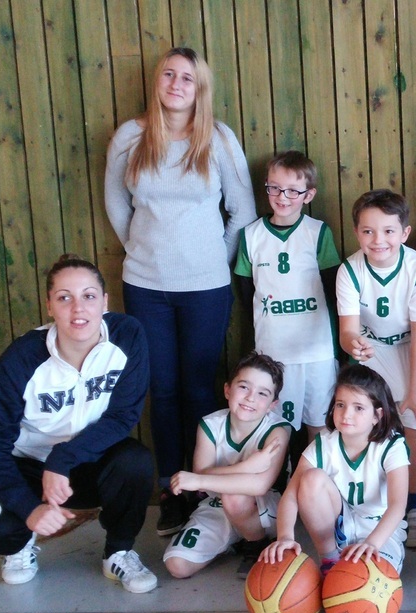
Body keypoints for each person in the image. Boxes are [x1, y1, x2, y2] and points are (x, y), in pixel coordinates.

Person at [104, 46, 257, 536]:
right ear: (157, 82)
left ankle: (207, 488)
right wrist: (139, 249)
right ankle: (173, 493)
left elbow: (242, 210)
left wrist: (215, 257)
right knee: (163, 391)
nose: (176, 84)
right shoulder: (130, 137)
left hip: (206, 286)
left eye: (187, 77)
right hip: (145, 285)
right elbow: (116, 201)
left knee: (198, 389)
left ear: (199, 88)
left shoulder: (218, 138)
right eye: (168, 74)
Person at [0, 255, 157, 593]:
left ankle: (119, 552)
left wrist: (63, 459)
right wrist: (29, 509)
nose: (78, 308)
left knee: (135, 462)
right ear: (49, 306)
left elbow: (123, 416)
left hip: (86, 460)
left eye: (89, 296)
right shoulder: (22, 359)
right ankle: (19, 544)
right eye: (65, 297)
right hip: (27, 465)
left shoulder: (127, 335)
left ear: (104, 302)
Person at [335, 189, 416, 548]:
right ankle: (366, 508)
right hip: (370, 349)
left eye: (389, 231)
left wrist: (415, 391)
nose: (379, 240)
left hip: (409, 348)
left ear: (404, 233)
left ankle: (415, 507)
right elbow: (347, 331)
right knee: (362, 423)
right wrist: (353, 344)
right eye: (368, 231)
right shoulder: (349, 270)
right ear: (357, 233)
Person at [259, 364, 410, 575]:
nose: (346, 414)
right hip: (341, 525)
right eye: (340, 405)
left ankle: (369, 557)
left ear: (377, 415)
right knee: (311, 478)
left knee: (368, 580)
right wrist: (284, 537)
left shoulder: (392, 446)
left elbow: (398, 505)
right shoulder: (324, 443)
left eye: (358, 408)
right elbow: (291, 495)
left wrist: (372, 543)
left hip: (380, 529)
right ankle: (329, 558)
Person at [235, 151, 341, 441]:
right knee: (274, 427)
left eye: (293, 190)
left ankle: (317, 472)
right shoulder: (251, 236)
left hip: (317, 351)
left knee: (319, 425)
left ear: (309, 195)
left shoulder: (317, 232)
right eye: (275, 188)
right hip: (272, 351)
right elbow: (246, 293)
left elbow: (334, 290)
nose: (282, 197)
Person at [163, 351, 291, 578]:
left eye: (262, 393)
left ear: (272, 404)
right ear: (227, 390)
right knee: (177, 565)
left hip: (263, 509)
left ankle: (256, 543)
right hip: (218, 504)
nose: (250, 398)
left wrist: (201, 479)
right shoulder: (210, 425)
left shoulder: (277, 430)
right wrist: (247, 467)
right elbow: (202, 475)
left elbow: (258, 486)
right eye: (244, 387)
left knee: (235, 496)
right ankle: (233, 539)